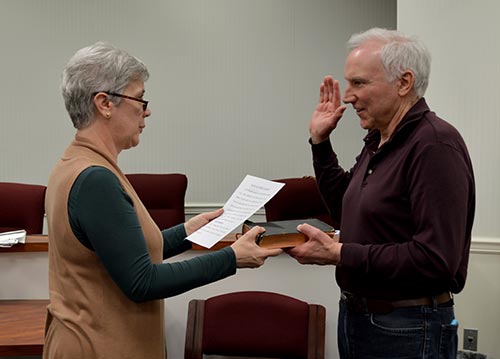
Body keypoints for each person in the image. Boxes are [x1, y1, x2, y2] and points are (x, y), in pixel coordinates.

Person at [43, 42, 282, 359]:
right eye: (140, 99)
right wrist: (231, 258)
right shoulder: (96, 180)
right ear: (104, 104)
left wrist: (187, 231)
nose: (147, 110)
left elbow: (126, 254)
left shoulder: (77, 164)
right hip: (98, 347)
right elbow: (142, 281)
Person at [287, 28, 475, 358]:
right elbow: (346, 208)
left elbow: (437, 259)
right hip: (361, 319)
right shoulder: (379, 140)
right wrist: (320, 143)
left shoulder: (434, 145)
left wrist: (341, 254)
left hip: (408, 326)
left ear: (403, 82)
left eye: (359, 83)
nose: (347, 96)